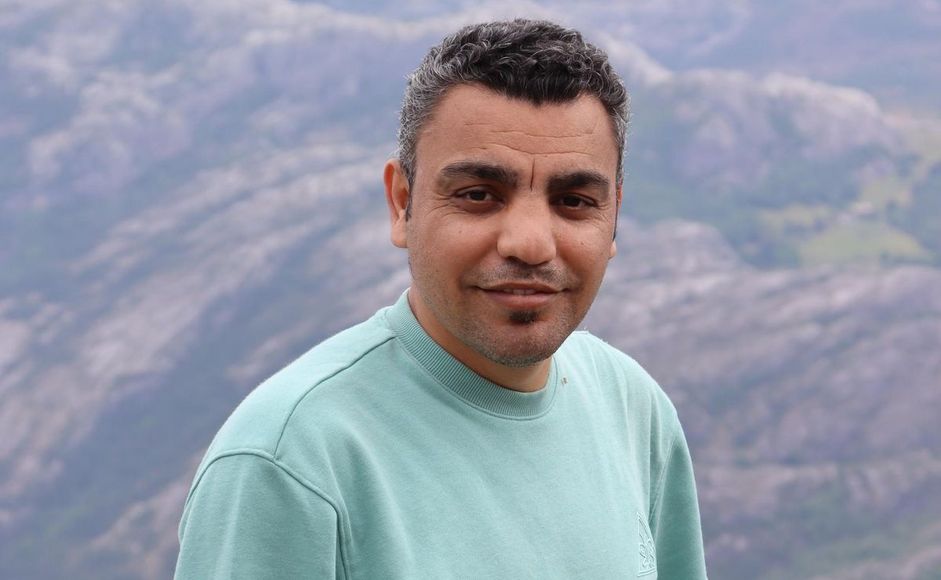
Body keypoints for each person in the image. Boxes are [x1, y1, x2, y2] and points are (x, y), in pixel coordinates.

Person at [175, 19, 707, 579]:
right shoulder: (289, 463)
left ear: (614, 216)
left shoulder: (632, 410)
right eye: (479, 195)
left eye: (573, 201)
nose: (530, 243)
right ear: (402, 203)